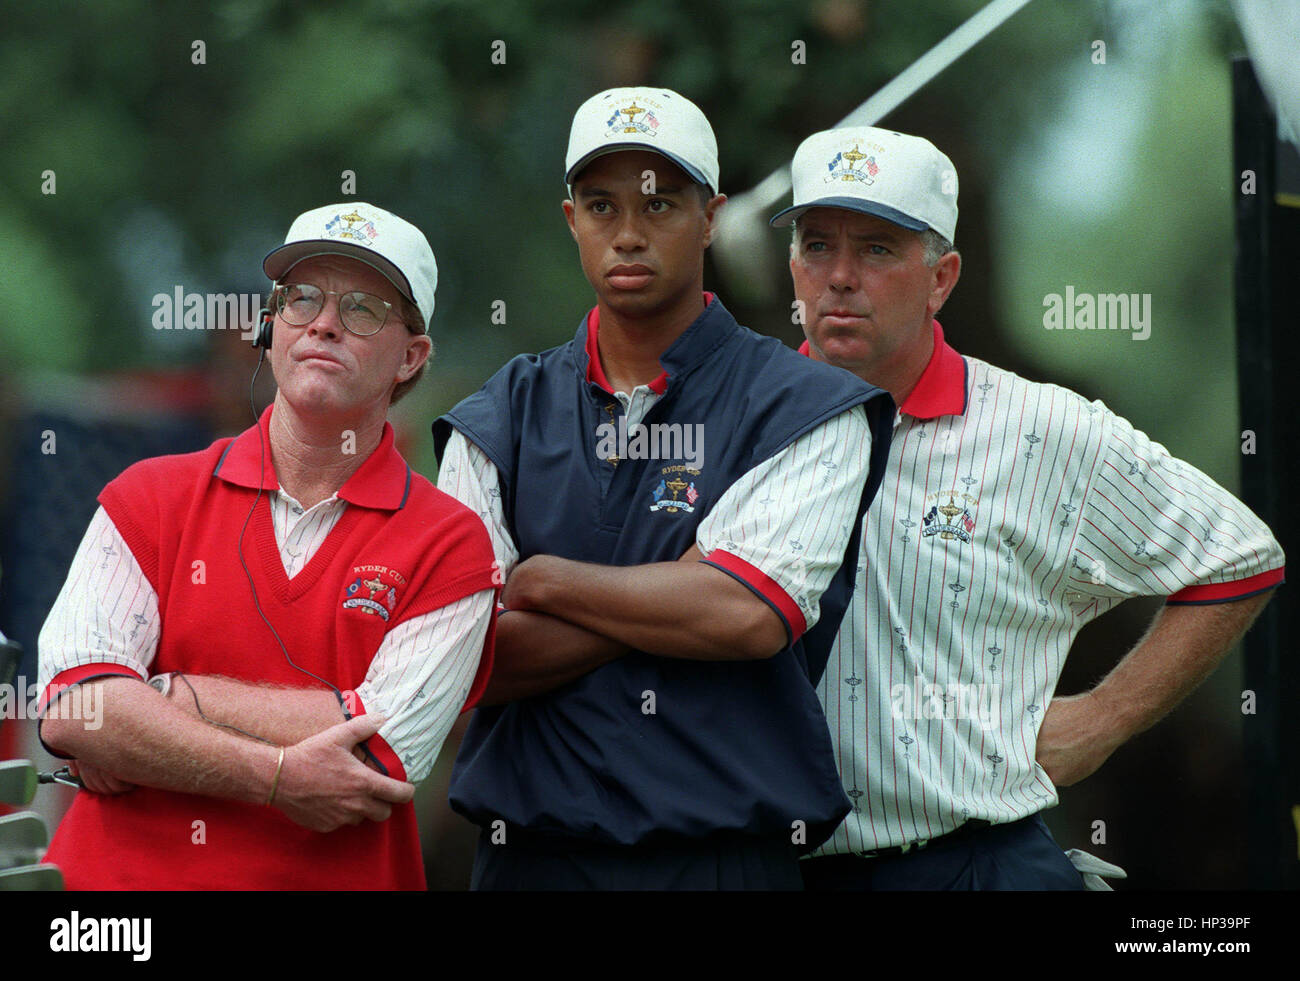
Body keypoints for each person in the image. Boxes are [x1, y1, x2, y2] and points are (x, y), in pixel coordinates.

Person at [773, 126, 1287, 890]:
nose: (840, 276)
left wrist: (1105, 715)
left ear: (941, 276)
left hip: (975, 865)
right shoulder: (740, 419)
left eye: (878, 249)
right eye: (818, 246)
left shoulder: (1040, 428)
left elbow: (1241, 555)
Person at [432, 87, 896, 890]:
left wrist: (543, 581)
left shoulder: (807, 405)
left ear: (711, 215)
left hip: (722, 863)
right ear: (570, 217)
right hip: (527, 861)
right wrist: (683, 586)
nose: (630, 234)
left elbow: (750, 615)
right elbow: (457, 652)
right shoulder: (499, 413)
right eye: (602, 205)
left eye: (660, 204)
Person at [37, 202, 499, 889]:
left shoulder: (452, 543)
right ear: (270, 325)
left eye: (364, 307)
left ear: (411, 356)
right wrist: (278, 777)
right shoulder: (147, 496)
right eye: (302, 297)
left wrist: (165, 696)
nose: (323, 322)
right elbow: (77, 707)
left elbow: (377, 756)